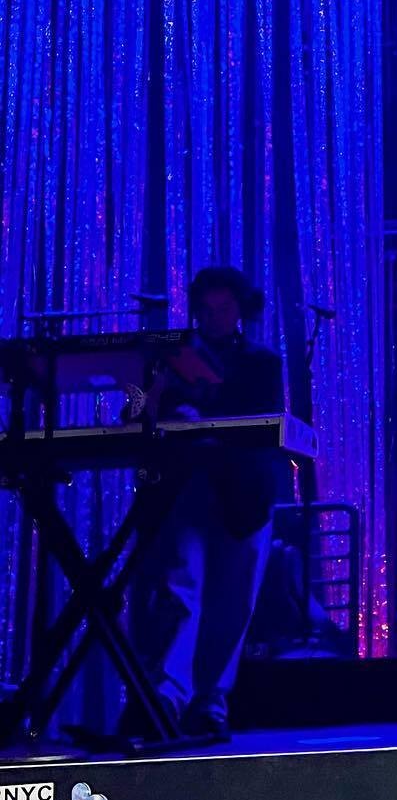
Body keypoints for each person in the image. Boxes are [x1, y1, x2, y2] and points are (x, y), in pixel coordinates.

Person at [126, 266, 288, 740]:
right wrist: (160, 398)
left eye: (224, 308)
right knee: (180, 589)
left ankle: (210, 702)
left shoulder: (261, 361)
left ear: (239, 310)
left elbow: (262, 419)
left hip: (244, 490)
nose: (215, 317)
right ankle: (167, 697)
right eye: (207, 309)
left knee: (232, 601)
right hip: (187, 486)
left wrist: (203, 408)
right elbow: (135, 411)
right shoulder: (169, 358)